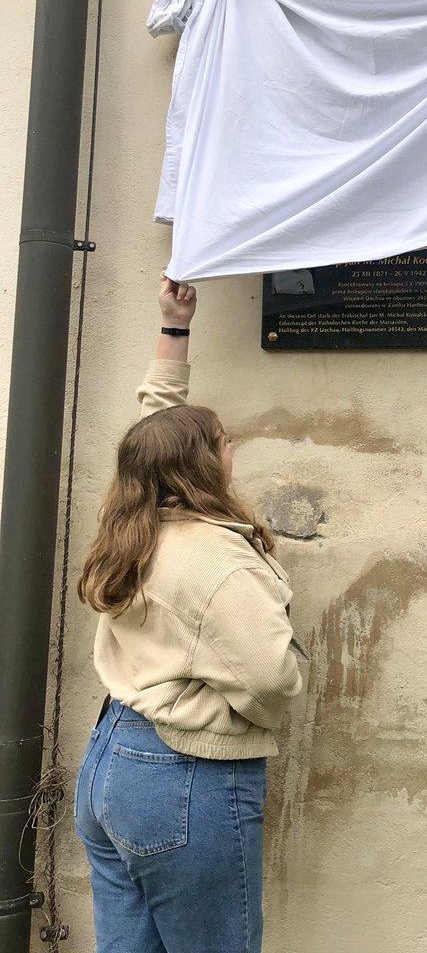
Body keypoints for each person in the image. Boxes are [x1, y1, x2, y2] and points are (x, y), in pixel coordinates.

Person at [74, 274, 306, 953]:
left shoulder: (132, 519)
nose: (233, 450)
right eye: (224, 441)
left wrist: (174, 329)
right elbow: (271, 682)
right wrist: (269, 689)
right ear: (202, 465)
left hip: (113, 763)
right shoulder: (216, 560)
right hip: (186, 778)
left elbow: (153, 426)